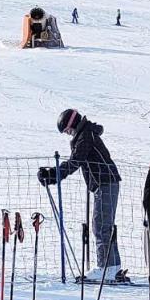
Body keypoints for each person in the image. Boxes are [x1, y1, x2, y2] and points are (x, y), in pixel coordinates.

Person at [38, 109, 123, 282]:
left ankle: (105, 268)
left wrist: (54, 175)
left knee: (100, 226)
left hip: (105, 182)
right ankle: (112, 267)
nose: (68, 134)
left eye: (67, 130)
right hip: (105, 182)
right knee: (103, 225)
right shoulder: (87, 134)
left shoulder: (85, 137)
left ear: (73, 124)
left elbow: (75, 161)